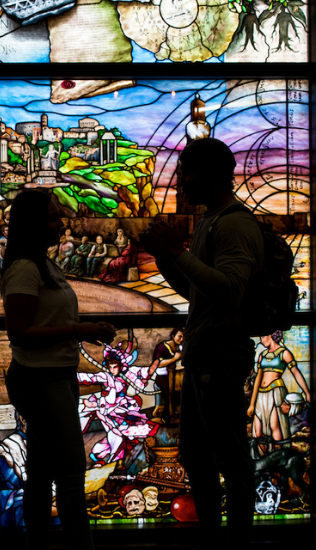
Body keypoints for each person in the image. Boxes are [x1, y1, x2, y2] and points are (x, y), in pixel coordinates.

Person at [140, 138, 264, 550]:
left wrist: (176, 250)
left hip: (220, 355)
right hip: (203, 354)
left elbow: (229, 289)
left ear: (204, 174)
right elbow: (198, 292)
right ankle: (213, 536)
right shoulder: (213, 220)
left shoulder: (234, 224)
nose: (178, 182)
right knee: (195, 454)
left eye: (184, 172)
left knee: (229, 455)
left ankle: (237, 542)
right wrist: (166, 256)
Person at [1, 190, 115, 550]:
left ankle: (38, 549)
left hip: (54, 374)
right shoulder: (25, 269)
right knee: (69, 473)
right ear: (34, 225)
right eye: (51, 217)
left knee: (42, 474)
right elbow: (19, 332)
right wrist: (78, 331)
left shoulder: (44, 265)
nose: (59, 222)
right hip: (41, 378)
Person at [247, 330, 310, 454]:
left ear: (271, 335)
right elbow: (258, 378)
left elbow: (296, 373)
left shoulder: (284, 353)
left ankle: (278, 463)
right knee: (257, 430)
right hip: (261, 395)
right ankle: (263, 464)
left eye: (263, 336)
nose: (261, 339)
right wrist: (252, 404)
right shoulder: (263, 355)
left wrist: (307, 392)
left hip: (276, 393)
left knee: (274, 427)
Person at [150, 328, 184, 424]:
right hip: (163, 377)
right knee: (168, 395)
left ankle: (176, 414)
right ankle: (166, 417)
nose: (181, 339)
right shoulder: (162, 347)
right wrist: (174, 359)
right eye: (179, 336)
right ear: (173, 336)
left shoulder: (180, 347)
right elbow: (159, 363)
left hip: (176, 376)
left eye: (183, 338)